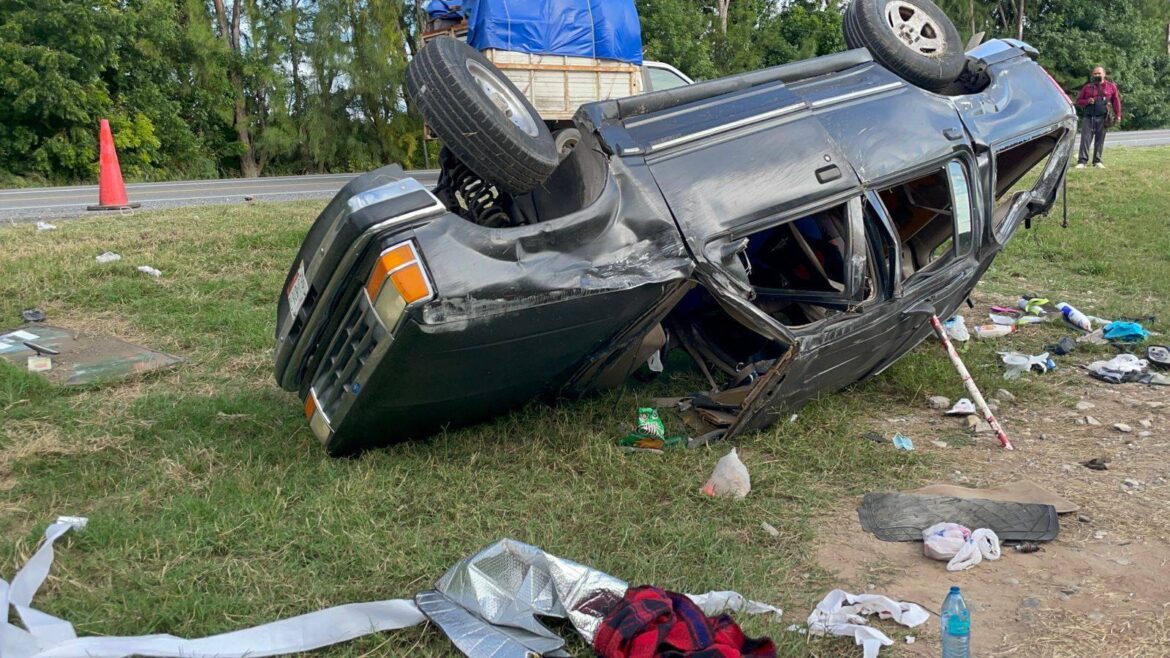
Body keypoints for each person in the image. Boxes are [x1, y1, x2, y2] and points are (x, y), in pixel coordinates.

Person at [1074, 66, 1122, 169]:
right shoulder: (1087, 87)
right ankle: (1082, 161)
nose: (1097, 75)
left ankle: (1097, 161)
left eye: (1099, 73)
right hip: (1088, 117)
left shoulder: (1111, 87)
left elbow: (1116, 101)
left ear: (1104, 74)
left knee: (1100, 140)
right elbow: (1078, 101)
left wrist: (1118, 114)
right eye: (1095, 74)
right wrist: (1087, 101)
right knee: (1085, 139)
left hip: (1103, 117)